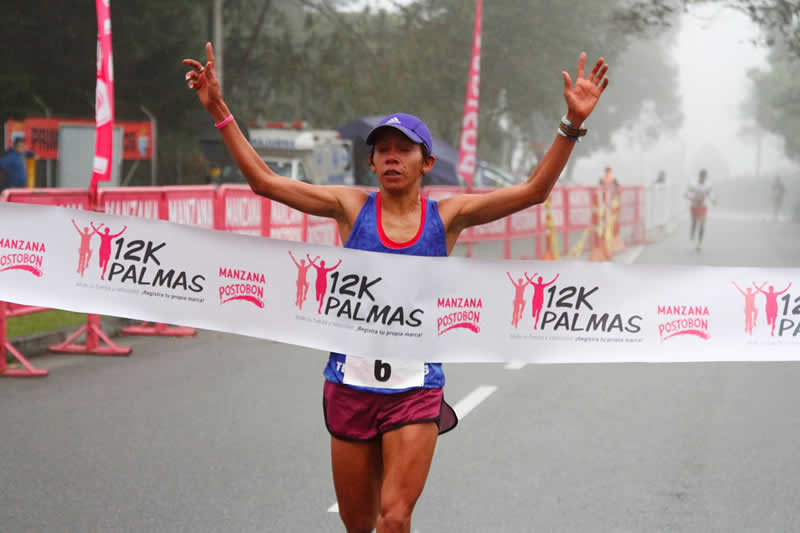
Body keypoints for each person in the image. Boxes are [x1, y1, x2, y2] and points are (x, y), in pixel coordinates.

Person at [184, 41, 609, 532]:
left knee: (395, 517)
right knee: (359, 525)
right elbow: (264, 181)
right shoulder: (349, 207)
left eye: (403, 149)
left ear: (425, 163)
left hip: (415, 388)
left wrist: (571, 125)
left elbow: (534, 191)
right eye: (381, 150)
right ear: (371, 164)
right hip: (349, 384)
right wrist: (218, 108)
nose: (391, 158)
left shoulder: (447, 216)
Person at [685, 169, 713, 252]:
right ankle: (692, 234)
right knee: (694, 223)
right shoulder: (693, 185)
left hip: (703, 206)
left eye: (704, 177)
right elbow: (686, 194)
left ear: (706, 177)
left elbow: (710, 194)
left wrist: (713, 200)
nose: (703, 179)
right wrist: (693, 198)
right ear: (699, 176)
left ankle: (699, 243)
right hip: (694, 206)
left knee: (702, 224)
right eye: (702, 177)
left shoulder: (708, 185)